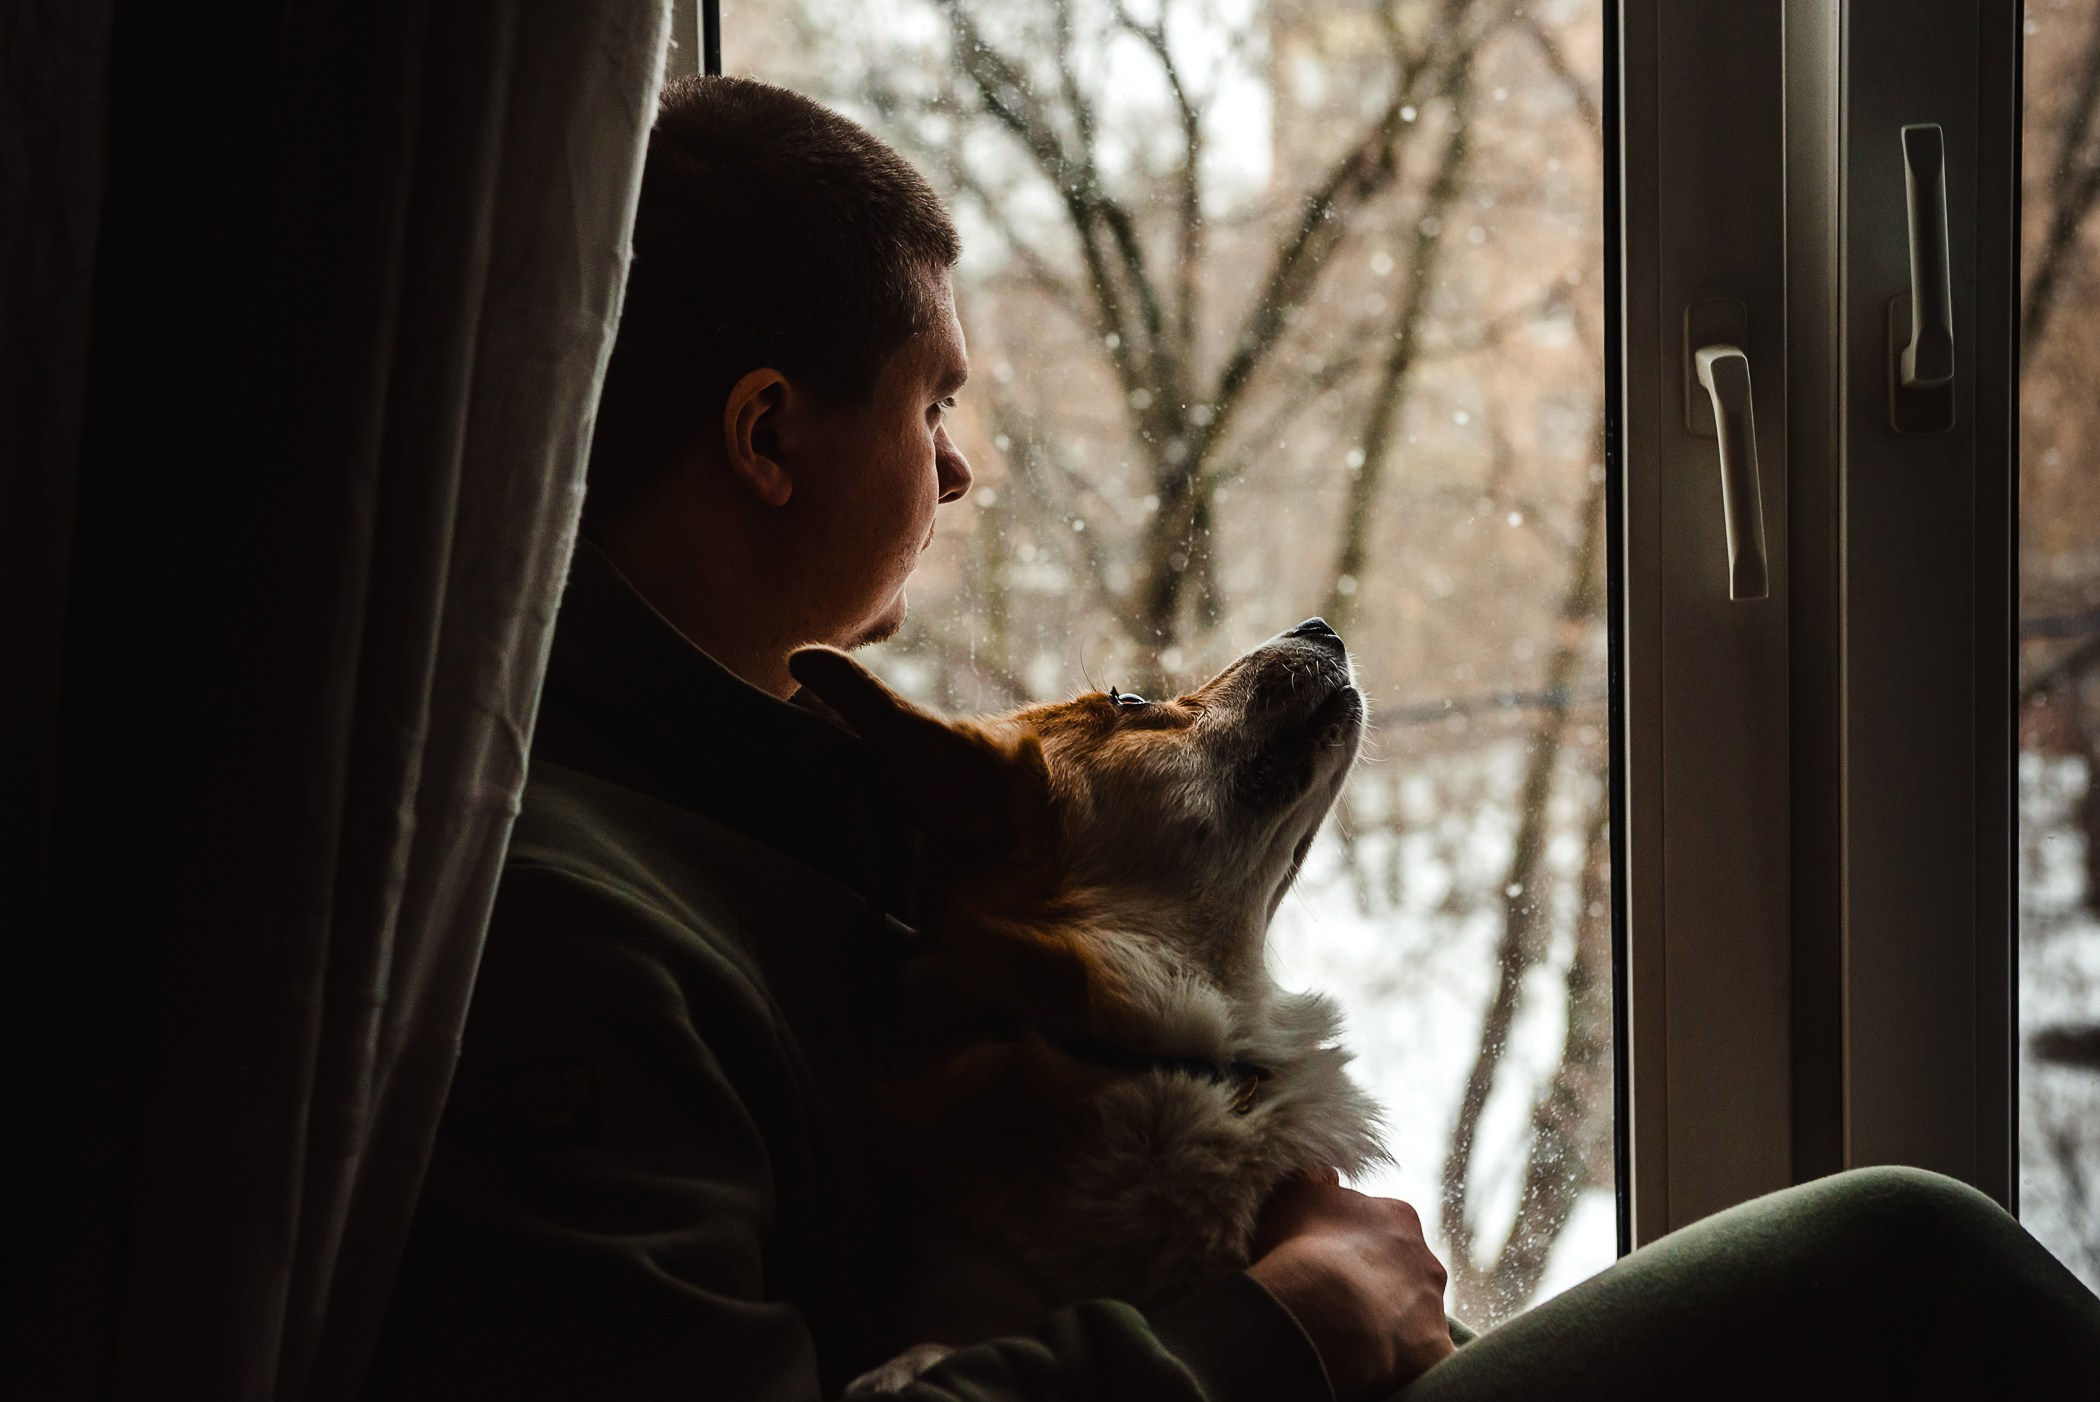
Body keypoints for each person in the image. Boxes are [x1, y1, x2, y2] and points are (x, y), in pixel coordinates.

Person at [365, 75, 2100, 1402]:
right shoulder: (573, 923)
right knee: (1910, 1260)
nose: (959, 469)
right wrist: (1279, 1325)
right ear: (766, 437)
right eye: (931, 400)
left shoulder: (754, 799)